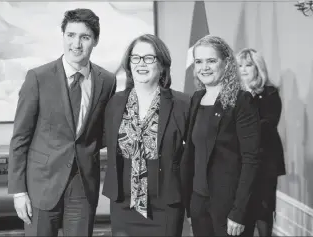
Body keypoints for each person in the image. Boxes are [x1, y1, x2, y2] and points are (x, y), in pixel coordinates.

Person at [8, 8, 116, 236]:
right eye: (71, 35)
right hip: (40, 185)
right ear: (63, 36)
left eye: (85, 37)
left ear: (95, 40)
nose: (76, 44)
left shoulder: (107, 81)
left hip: (83, 185)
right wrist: (19, 192)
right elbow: (20, 138)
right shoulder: (38, 78)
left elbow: (103, 131)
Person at [102, 34, 190, 236]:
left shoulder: (182, 104)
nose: (142, 63)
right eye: (136, 58)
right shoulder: (114, 103)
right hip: (123, 203)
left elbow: (193, 154)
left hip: (165, 205)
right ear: (129, 64)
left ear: (162, 65)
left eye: (149, 58)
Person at [180, 35, 261, 236]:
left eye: (211, 61)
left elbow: (251, 160)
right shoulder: (196, 99)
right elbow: (191, 154)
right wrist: (190, 206)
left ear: (226, 63)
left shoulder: (242, 101)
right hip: (199, 203)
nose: (204, 67)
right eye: (199, 61)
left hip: (230, 206)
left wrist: (239, 212)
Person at [237, 48, 286, 236]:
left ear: (258, 68)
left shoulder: (270, 93)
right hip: (240, 161)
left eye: (248, 65)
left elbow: (266, 125)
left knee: (263, 210)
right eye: (239, 65)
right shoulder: (233, 93)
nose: (243, 69)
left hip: (265, 161)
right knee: (244, 210)